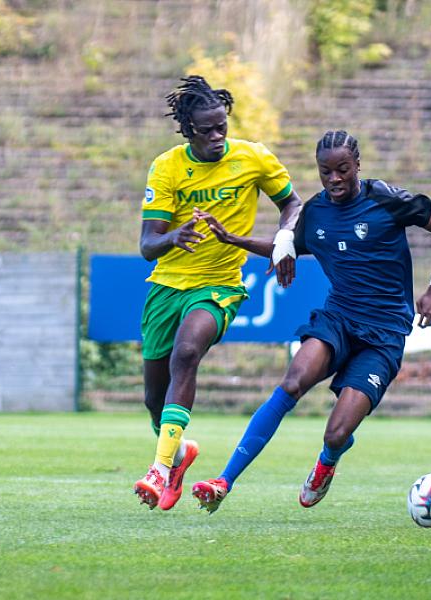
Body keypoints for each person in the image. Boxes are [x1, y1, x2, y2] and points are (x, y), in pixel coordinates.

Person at [191, 129, 431, 512]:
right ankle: (223, 482)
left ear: (357, 165)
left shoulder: (386, 199)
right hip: (339, 319)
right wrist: (233, 239)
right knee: (292, 382)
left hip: (383, 336)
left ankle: (328, 460)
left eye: (343, 169)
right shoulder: (315, 212)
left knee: (336, 434)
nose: (334, 179)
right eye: (325, 171)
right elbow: (284, 248)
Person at [134, 75, 302, 511]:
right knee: (154, 398)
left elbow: (292, 203)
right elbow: (147, 245)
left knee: (187, 351)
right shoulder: (167, 167)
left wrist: (285, 238)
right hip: (167, 286)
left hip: (220, 284)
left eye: (222, 127)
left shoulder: (254, 158)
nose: (217, 137)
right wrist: (173, 237)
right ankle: (178, 455)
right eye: (207, 130)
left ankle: (158, 469)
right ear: (188, 130)